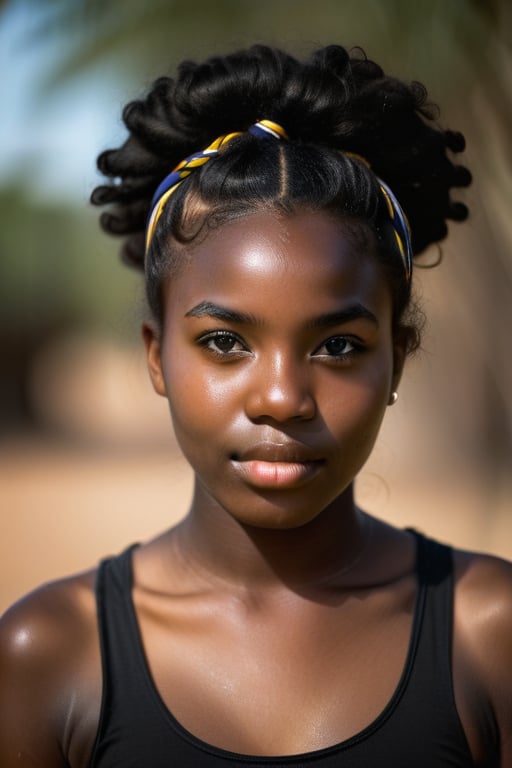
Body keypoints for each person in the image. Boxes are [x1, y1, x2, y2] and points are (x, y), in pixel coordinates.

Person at [0, 43, 510, 768]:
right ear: (155, 356)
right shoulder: (47, 653)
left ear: (397, 355)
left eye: (337, 346)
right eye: (224, 342)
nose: (280, 398)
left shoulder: (489, 634)